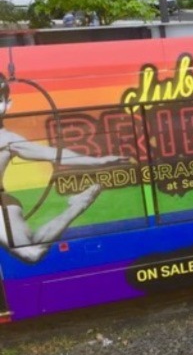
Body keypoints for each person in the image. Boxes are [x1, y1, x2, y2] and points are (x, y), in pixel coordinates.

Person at [0, 74, 127, 264]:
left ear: (8, 104)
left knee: (31, 254)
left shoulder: (8, 140)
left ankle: (77, 206)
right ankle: (77, 205)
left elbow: (54, 154)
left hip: (2, 205)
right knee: (32, 248)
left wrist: (97, 162)